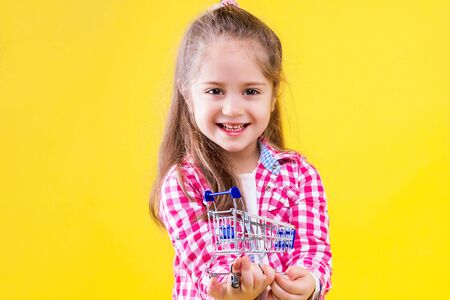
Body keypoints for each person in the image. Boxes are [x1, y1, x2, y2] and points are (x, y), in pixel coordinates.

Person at [149, 1, 332, 299]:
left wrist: (309, 281)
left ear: (273, 96)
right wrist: (233, 289)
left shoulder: (300, 176)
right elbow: (208, 268)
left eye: (251, 91)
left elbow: (314, 248)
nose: (232, 109)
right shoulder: (182, 183)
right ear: (188, 93)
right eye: (215, 91)